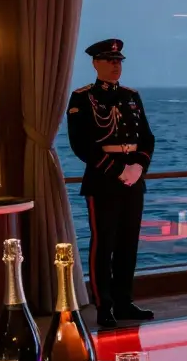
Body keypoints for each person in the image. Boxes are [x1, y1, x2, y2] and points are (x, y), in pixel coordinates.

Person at [66, 39, 155, 329]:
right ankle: (104, 305)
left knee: (128, 243)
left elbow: (147, 138)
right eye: (109, 60)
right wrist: (119, 170)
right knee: (103, 245)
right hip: (104, 180)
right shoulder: (82, 98)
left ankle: (124, 301)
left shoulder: (131, 96)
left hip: (133, 180)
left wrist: (138, 167)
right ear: (95, 63)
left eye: (119, 61)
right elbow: (81, 145)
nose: (116, 65)